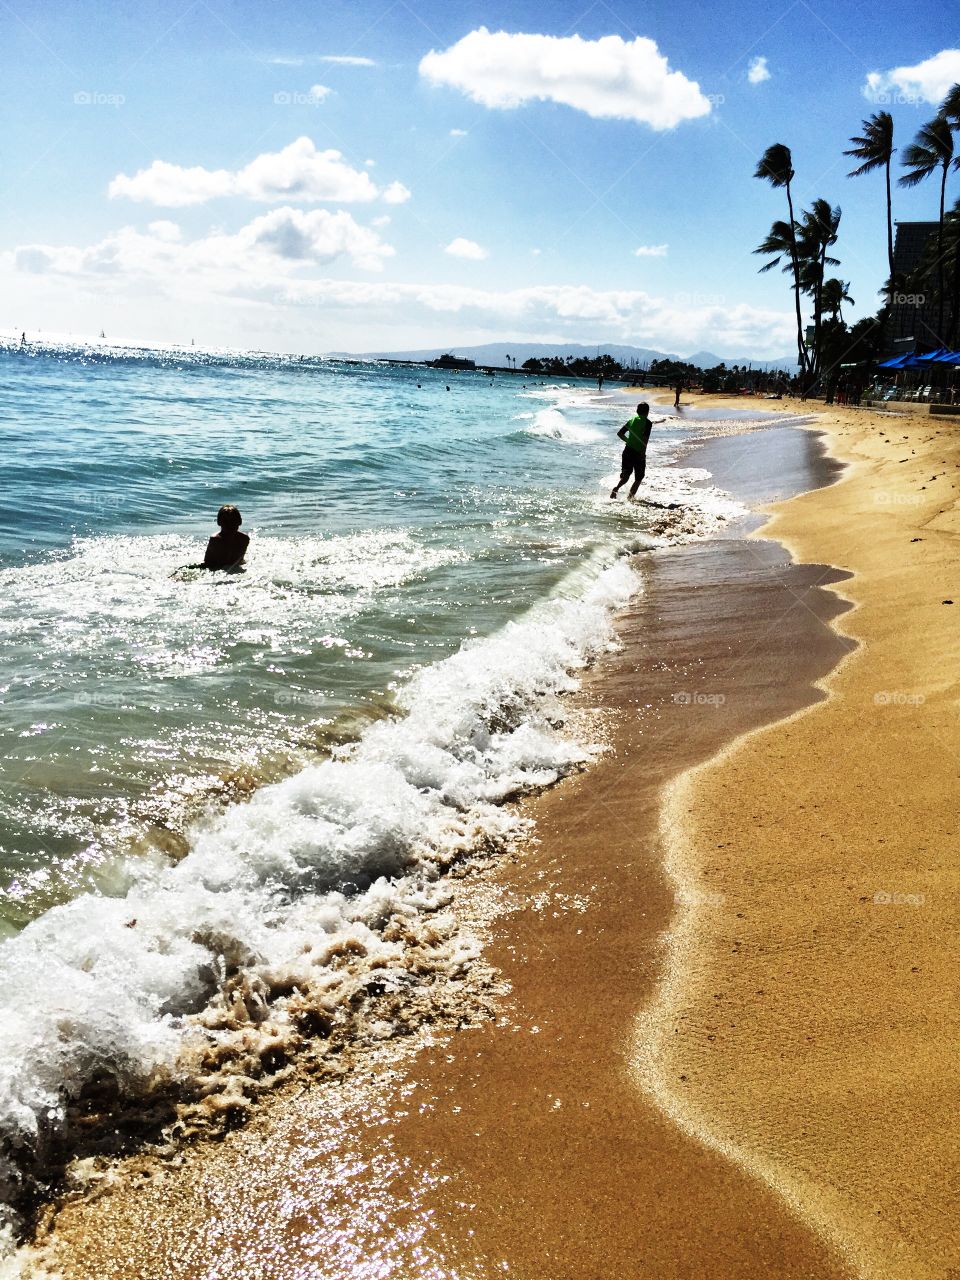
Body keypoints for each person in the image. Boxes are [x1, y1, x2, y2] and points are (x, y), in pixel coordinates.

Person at [610, 403, 657, 500]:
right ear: (647, 412)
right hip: (638, 452)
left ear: (637, 411)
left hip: (627, 451)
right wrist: (643, 453)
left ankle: (616, 489)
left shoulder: (631, 420)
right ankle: (630, 498)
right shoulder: (648, 423)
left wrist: (629, 441)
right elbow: (645, 439)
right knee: (639, 478)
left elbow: (620, 433)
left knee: (626, 476)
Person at [204, 504, 249, 570]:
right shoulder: (216, 540)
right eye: (225, 522)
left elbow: (240, 560)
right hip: (216, 567)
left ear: (240, 522)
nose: (229, 525)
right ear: (219, 523)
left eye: (233, 521)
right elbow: (208, 562)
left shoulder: (244, 539)